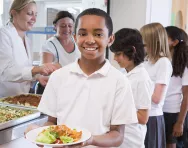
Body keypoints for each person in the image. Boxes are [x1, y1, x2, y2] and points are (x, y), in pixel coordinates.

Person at [25, 8, 138, 148]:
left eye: (98, 34)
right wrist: (40, 134)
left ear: (110, 39)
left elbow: (118, 136)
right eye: (83, 33)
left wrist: (90, 140)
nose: (90, 40)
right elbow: (51, 123)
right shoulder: (58, 77)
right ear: (75, 37)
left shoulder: (119, 82)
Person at [0, 0, 59, 98]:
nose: (34, 19)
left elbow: (22, 70)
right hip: (4, 99)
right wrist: (36, 69)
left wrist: (38, 76)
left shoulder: (27, 40)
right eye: (29, 13)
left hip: (21, 98)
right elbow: (5, 72)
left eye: (36, 15)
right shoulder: (3, 35)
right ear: (14, 13)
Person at [110, 28, 152, 148]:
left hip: (131, 141)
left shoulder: (141, 78)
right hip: (118, 137)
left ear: (132, 51)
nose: (115, 58)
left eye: (118, 54)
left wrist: (114, 108)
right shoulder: (123, 72)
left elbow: (143, 118)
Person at [140, 22, 173, 148]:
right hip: (142, 115)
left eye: (144, 41)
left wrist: (138, 90)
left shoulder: (163, 63)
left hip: (152, 117)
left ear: (152, 41)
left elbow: (156, 99)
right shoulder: (146, 61)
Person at [163, 26, 188, 148]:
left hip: (174, 113)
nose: (160, 40)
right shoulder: (163, 60)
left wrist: (180, 122)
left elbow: (187, 95)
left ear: (175, 42)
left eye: (164, 37)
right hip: (159, 110)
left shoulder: (184, 64)